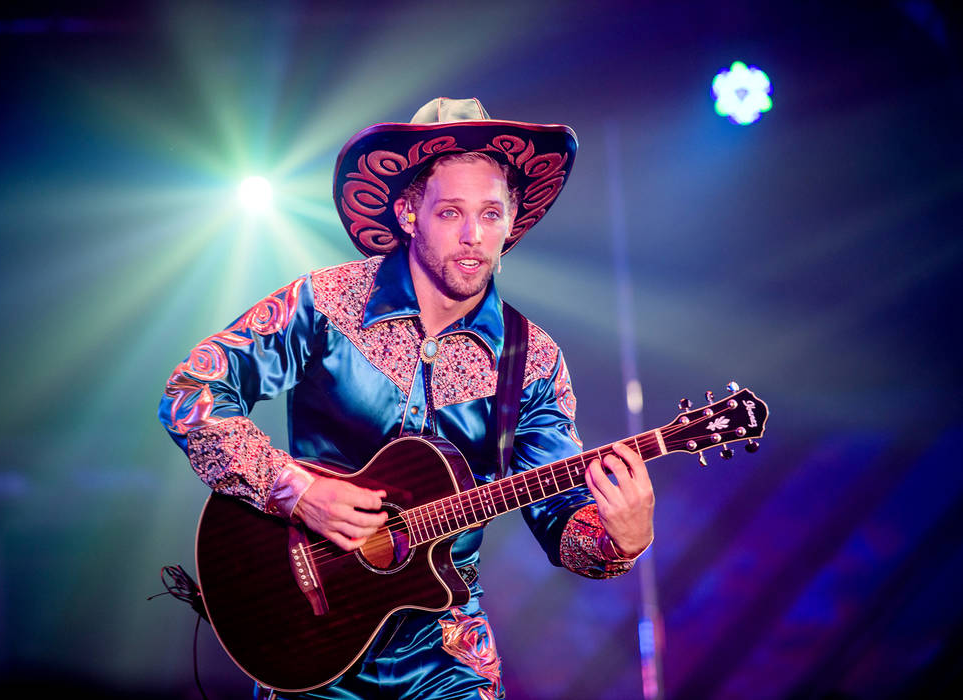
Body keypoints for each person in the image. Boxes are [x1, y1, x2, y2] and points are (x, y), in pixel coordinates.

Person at [159, 97, 655, 699]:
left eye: (491, 215)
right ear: (408, 213)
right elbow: (192, 391)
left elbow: (563, 524)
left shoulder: (533, 361)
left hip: (446, 651)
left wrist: (621, 538)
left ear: (511, 222)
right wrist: (300, 493)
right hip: (309, 636)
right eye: (451, 212)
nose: (474, 237)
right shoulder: (324, 303)